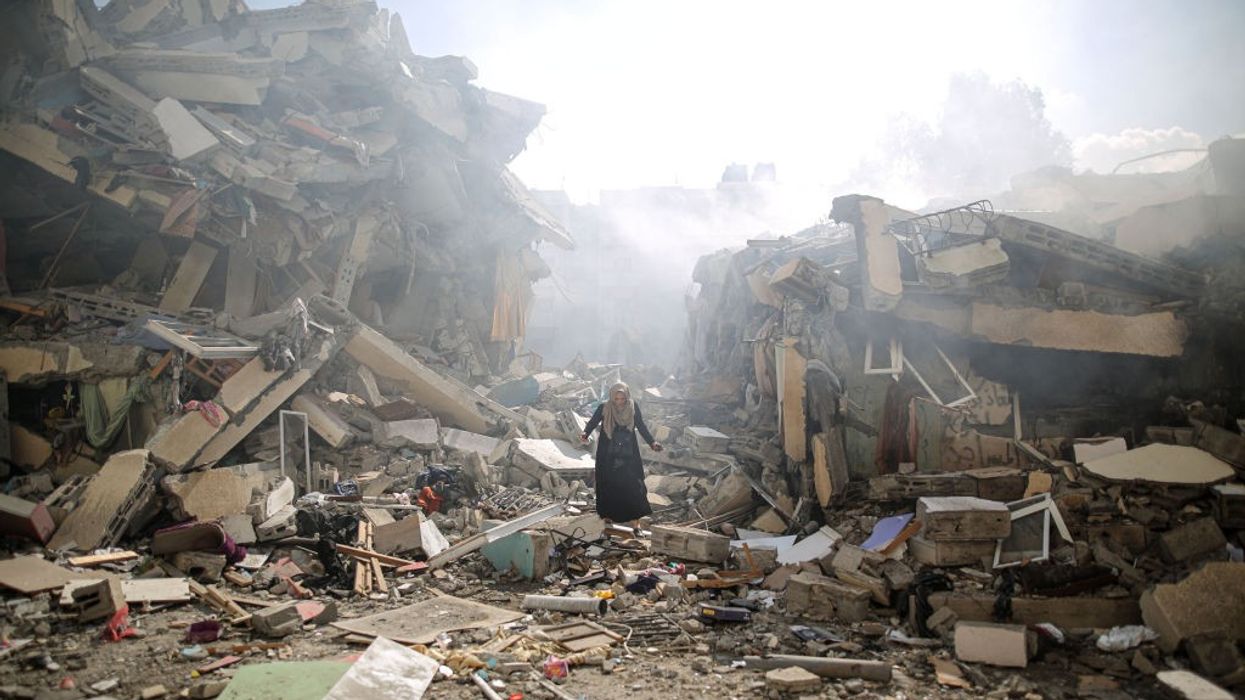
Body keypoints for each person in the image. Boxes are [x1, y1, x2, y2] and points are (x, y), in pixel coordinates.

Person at [580, 382, 662, 527]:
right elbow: (593, 422)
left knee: (633, 485)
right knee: (608, 485)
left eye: (622, 399)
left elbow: (641, 426)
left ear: (627, 396)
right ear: (612, 397)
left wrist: (652, 442)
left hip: (628, 453)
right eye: (616, 399)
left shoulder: (633, 407)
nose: (619, 402)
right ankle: (607, 519)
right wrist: (585, 433)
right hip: (607, 453)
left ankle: (635, 523)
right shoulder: (604, 407)